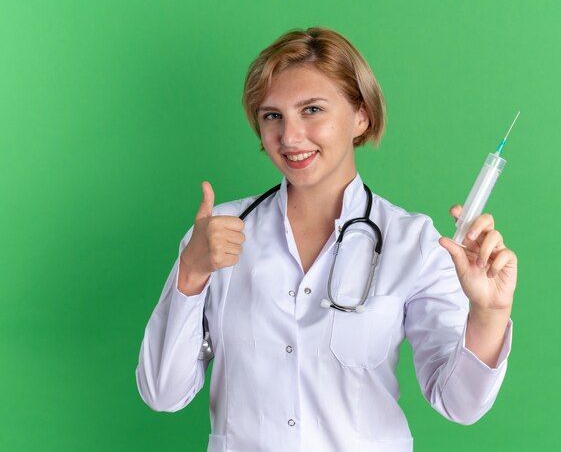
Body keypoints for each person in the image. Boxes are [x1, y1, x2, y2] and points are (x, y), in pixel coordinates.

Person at [136, 27, 517, 452]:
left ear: (361, 115)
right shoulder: (216, 234)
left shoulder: (413, 242)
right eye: (272, 115)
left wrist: (489, 312)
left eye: (312, 109)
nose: (290, 136)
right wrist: (191, 273)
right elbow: (162, 394)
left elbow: (459, 404)